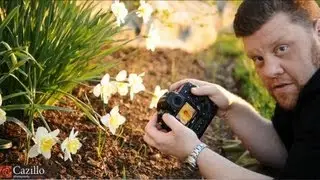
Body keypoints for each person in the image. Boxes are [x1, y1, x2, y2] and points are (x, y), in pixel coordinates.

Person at [143, 0, 320, 179]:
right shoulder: (303, 85)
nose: (269, 71)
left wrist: (195, 152)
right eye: (258, 58)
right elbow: (283, 151)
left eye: (281, 48)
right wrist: (229, 106)